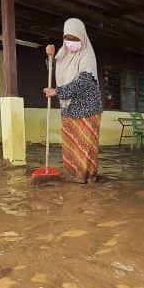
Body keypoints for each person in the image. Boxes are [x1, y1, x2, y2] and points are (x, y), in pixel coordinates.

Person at [43, 18, 104, 183]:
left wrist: (57, 91)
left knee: (85, 147)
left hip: (87, 108)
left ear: (82, 37)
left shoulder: (87, 55)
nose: (71, 42)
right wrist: (49, 56)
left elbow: (83, 82)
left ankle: (88, 178)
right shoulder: (62, 54)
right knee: (72, 145)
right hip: (69, 107)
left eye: (75, 38)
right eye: (68, 38)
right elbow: (55, 72)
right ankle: (75, 177)